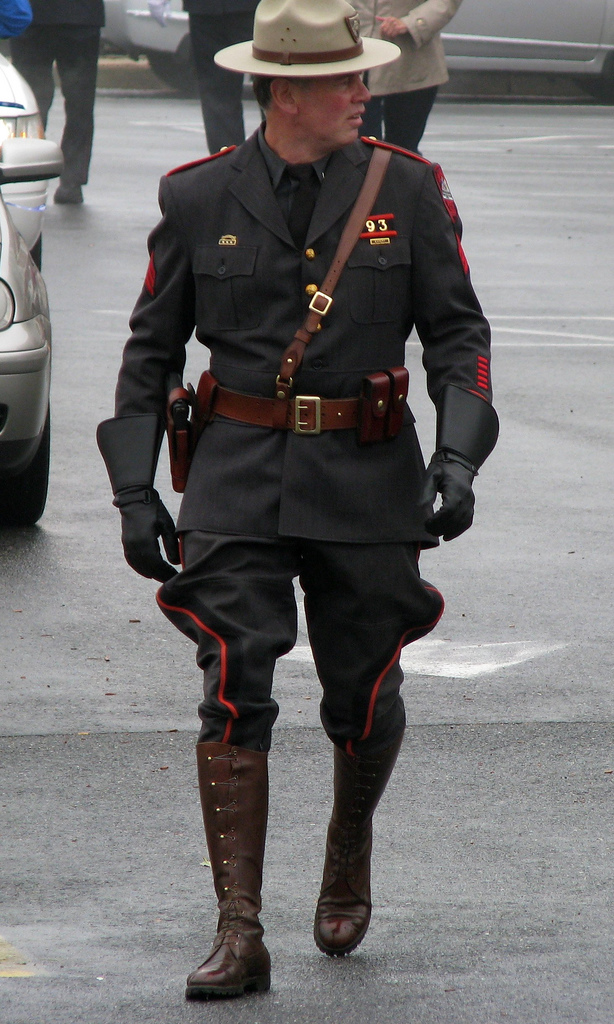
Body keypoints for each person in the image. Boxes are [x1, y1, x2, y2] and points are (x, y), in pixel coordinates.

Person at [97, 0, 498, 1001]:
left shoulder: (406, 188)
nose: (364, 91)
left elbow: (457, 335)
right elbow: (150, 351)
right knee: (233, 683)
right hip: (235, 471)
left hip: (367, 473)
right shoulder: (199, 195)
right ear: (285, 92)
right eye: (344, 79)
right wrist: (134, 490)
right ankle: (239, 930)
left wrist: (457, 458)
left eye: (360, 74)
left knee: (362, 691)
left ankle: (348, 843)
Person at [10, 0, 104, 204]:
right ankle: (72, 181)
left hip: (34, 15)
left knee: (31, 102)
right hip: (80, 16)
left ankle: (26, 174)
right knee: (79, 102)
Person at [353, 0, 462, 153]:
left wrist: (412, 23)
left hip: (412, 64)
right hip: (356, 60)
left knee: (403, 151)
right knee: (358, 149)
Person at [183, 0, 258, 154]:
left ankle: (281, 162)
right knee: (217, 96)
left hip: (258, 9)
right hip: (207, 10)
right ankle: (228, 164)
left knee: (275, 90)